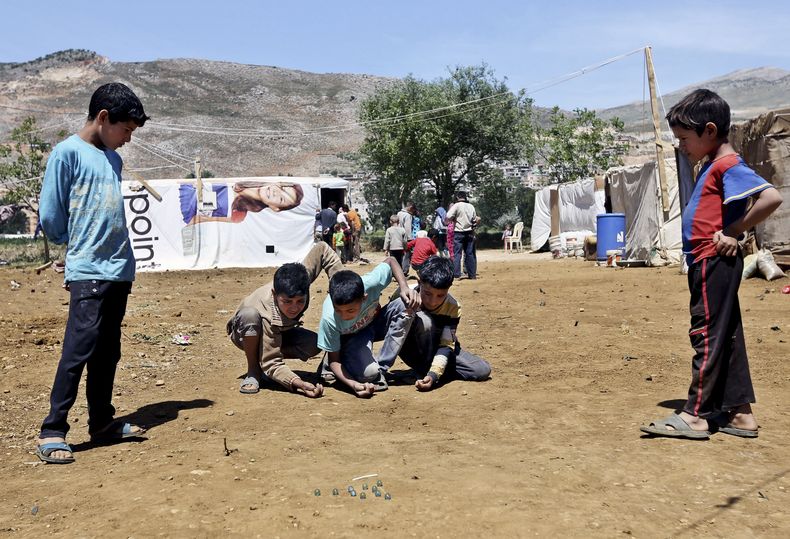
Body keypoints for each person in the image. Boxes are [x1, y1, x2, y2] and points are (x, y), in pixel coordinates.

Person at [641, 89, 783, 440]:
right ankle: (739, 414)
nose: (682, 146)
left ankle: (696, 415)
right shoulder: (714, 165)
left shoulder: (727, 165)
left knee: (706, 334)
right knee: (727, 336)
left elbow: (771, 196)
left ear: (708, 131)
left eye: (685, 139)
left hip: (711, 260)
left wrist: (733, 229)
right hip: (710, 261)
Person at [35, 82, 150, 464]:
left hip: (119, 266)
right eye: (126, 131)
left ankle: (103, 422)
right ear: (103, 118)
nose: (128, 140)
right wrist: (75, 247)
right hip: (88, 267)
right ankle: (53, 429)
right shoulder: (66, 153)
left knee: (108, 349)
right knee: (78, 347)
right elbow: (51, 214)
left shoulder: (113, 159)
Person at [227, 242, 343, 397]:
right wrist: (299, 383)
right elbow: (271, 362)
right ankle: (254, 370)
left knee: (315, 344)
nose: (294, 308)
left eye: (300, 301)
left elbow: (322, 249)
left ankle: (266, 350)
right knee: (250, 316)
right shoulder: (267, 312)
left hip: (281, 332)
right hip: (245, 332)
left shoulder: (301, 280)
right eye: (287, 302)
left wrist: (340, 290)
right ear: (275, 295)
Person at [316, 258, 419, 397]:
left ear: (364, 298)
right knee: (369, 374)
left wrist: (404, 287)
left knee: (406, 305)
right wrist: (354, 385)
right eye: (338, 310)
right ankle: (338, 361)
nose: (344, 315)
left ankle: (382, 368)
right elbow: (334, 360)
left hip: (374, 323)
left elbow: (391, 261)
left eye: (350, 310)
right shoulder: (329, 319)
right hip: (351, 338)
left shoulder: (371, 283)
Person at [386, 256, 491, 391]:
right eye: (428, 293)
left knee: (482, 370)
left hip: (439, 348)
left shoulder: (453, 307)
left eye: (440, 295)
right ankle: (426, 369)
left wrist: (434, 374)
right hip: (411, 348)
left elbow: (446, 345)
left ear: (449, 288)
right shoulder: (404, 295)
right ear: (419, 282)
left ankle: (427, 372)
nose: (433, 301)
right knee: (425, 321)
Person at [180, 181, 303, 225]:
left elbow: (199, 219)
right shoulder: (236, 183)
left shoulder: (239, 216)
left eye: (281, 199)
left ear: (275, 208)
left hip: (181, 213)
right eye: (282, 188)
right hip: (183, 190)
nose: (277, 192)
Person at [446, 192, 480, 279]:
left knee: (457, 254)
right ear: (465, 197)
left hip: (458, 232)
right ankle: (472, 275)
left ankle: (456, 274)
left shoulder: (456, 206)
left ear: (457, 197)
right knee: (470, 254)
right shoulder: (471, 206)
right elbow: (474, 219)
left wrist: (454, 218)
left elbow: (448, 216)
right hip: (469, 232)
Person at [397, 202, 416, 275]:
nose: (413, 212)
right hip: (405, 238)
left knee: (399, 255)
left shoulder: (399, 213)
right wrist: (410, 240)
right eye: (413, 210)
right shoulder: (408, 216)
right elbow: (408, 229)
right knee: (406, 255)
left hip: (398, 236)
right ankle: (404, 271)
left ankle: (398, 270)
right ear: (411, 208)